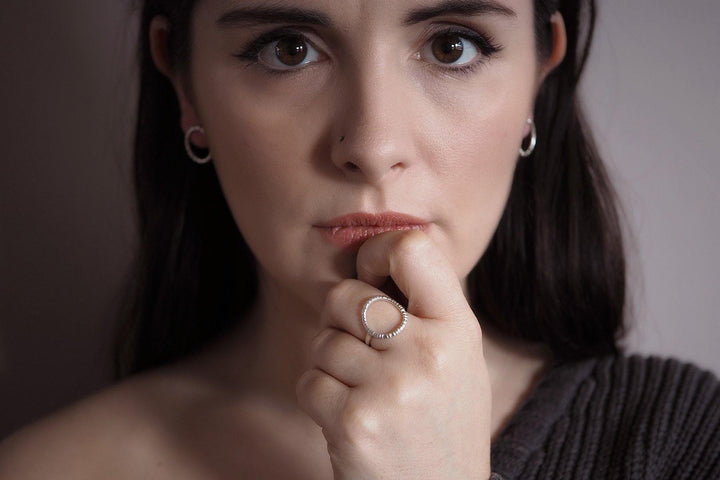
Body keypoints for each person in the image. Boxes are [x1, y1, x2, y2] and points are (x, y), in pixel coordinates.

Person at [1, 0, 718, 478]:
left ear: (538, 75)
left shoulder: (682, 444)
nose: (372, 145)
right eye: (287, 49)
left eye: (452, 43)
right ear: (185, 86)